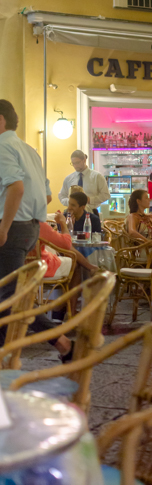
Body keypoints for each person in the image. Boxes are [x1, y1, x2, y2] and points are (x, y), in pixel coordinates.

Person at [0, 100, 72, 358]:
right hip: (30, 228)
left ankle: (62, 342)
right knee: (10, 297)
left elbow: (16, 188)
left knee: (9, 300)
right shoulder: (30, 150)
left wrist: (4, 227)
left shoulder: (2, 146)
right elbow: (46, 196)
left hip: (11, 229)